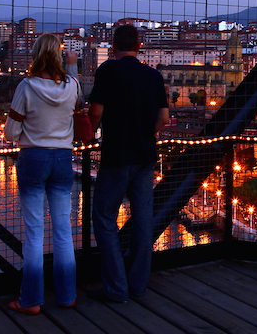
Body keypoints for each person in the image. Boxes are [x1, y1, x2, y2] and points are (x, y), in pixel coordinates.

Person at [88, 24, 169, 303]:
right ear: (139, 46)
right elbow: (164, 118)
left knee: (103, 217)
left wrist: (93, 131)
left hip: (117, 155)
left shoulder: (107, 70)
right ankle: (137, 285)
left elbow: (96, 111)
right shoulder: (153, 75)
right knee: (144, 221)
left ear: (113, 45)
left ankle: (116, 287)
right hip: (146, 156)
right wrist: (148, 133)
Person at [4, 34, 80, 314]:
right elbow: (77, 104)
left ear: (35, 54)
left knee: (34, 233)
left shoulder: (26, 86)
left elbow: (11, 132)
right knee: (63, 231)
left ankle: (31, 300)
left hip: (33, 157)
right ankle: (67, 295)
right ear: (60, 56)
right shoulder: (72, 85)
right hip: (62, 158)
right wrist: (72, 67)